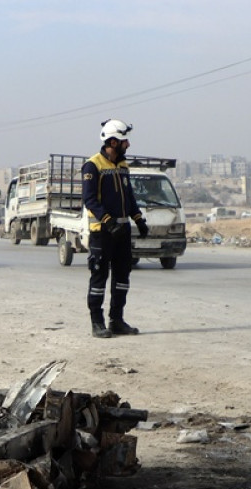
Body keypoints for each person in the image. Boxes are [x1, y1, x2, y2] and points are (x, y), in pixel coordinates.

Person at [81, 119, 148, 339]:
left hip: (123, 232)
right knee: (99, 277)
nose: (128, 145)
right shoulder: (93, 166)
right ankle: (97, 323)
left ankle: (116, 320)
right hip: (103, 233)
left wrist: (138, 220)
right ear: (112, 141)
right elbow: (90, 200)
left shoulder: (123, 166)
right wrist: (109, 222)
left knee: (122, 278)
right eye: (124, 141)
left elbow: (129, 197)